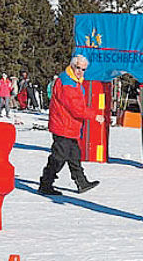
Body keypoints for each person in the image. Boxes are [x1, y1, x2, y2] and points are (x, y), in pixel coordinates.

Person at [38, 55, 101, 196]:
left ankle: (81, 182)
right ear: (72, 66)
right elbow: (76, 108)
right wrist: (95, 115)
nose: (80, 71)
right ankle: (45, 184)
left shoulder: (74, 81)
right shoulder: (67, 83)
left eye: (83, 69)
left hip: (70, 127)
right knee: (59, 157)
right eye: (77, 68)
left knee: (74, 156)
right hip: (63, 126)